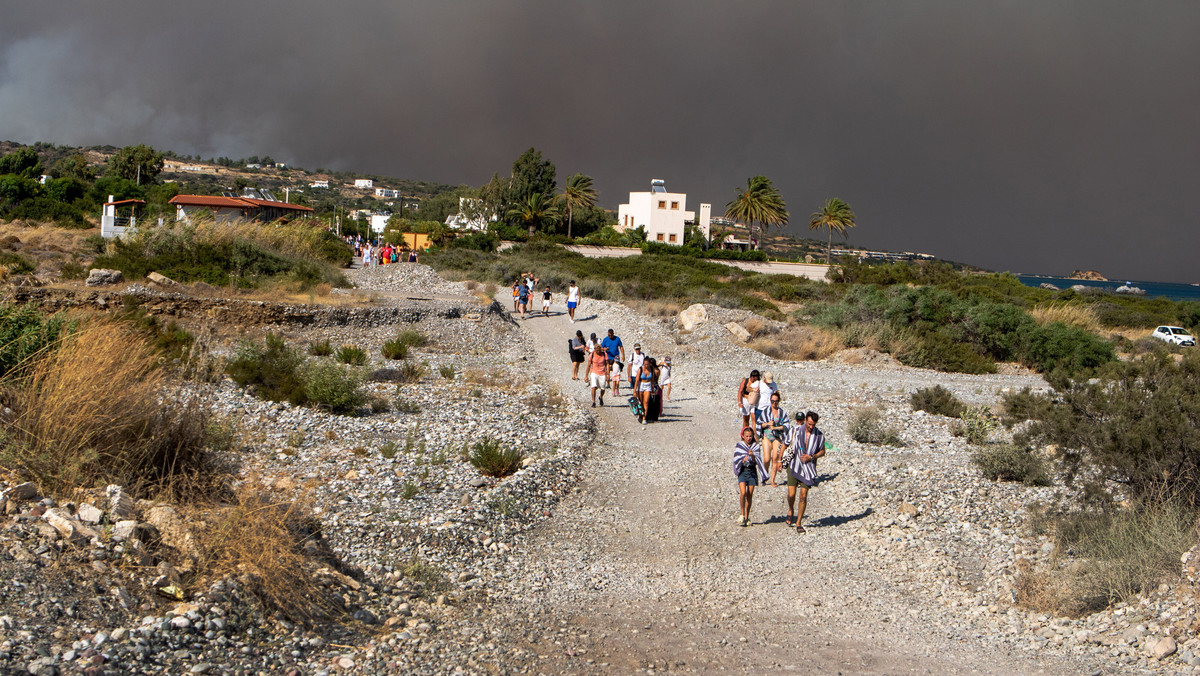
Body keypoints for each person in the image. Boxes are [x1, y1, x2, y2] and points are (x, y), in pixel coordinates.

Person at [783, 411, 827, 533]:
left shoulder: (819, 435)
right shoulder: (796, 430)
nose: (810, 427)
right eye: (809, 424)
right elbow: (785, 444)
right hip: (794, 465)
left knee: (803, 496)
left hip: (808, 468)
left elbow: (823, 451)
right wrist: (778, 461)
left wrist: (812, 457)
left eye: (813, 424)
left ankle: (799, 522)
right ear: (805, 421)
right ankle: (791, 509)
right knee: (791, 494)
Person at [733, 427, 768, 527]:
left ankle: (747, 516)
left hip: (752, 471)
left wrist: (752, 456)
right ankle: (742, 513)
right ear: (743, 436)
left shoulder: (755, 447)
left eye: (750, 436)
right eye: (747, 436)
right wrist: (742, 461)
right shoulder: (740, 445)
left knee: (750, 494)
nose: (748, 438)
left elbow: (758, 461)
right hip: (743, 471)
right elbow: (736, 458)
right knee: (743, 493)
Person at [759, 392, 789, 487]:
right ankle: (764, 476)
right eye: (772, 401)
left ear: (779, 401)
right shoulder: (765, 411)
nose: (774, 404)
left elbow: (786, 426)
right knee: (767, 458)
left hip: (777, 437)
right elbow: (759, 424)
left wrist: (777, 428)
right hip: (767, 436)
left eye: (776, 401)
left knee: (775, 458)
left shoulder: (782, 413)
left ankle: (772, 480)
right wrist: (768, 424)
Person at [634, 356, 657, 424]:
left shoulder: (651, 369)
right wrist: (635, 391)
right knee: (640, 402)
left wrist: (652, 388)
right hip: (641, 385)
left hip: (648, 385)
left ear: (649, 363)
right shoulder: (640, 369)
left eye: (647, 364)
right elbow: (637, 380)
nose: (646, 366)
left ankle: (644, 418)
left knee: (646, 402)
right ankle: (641, 415)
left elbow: (652, 379)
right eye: (645, 364)